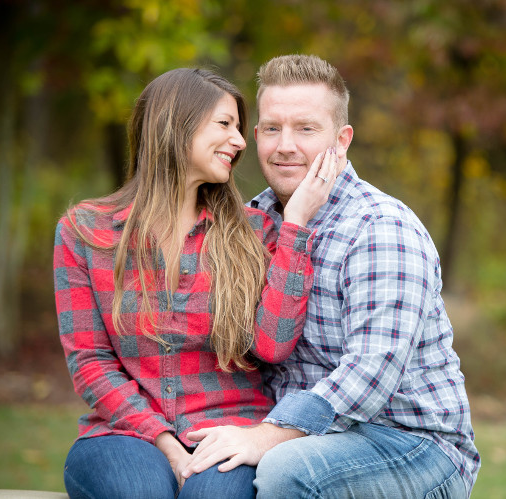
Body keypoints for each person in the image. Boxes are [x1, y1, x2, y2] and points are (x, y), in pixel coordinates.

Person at [181, 55, 481, 498]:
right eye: (271, 128)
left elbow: (371, 373)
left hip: (412, 444)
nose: (285, 145)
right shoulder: (252, 223)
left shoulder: (380, 227)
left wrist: (265, 437)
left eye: (305, 129)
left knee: (286, 471)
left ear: (341, 141)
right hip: (302, 433)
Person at [53, 67, 338, 499]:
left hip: (232, 429)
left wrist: (295, 224)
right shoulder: (87, 233)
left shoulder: (255, 232)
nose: (241, 142)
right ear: (175, 124)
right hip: (124, 435)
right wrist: (165, 442)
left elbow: (272, 345)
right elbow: (90, 361)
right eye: (225, 124)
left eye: (240, 129)